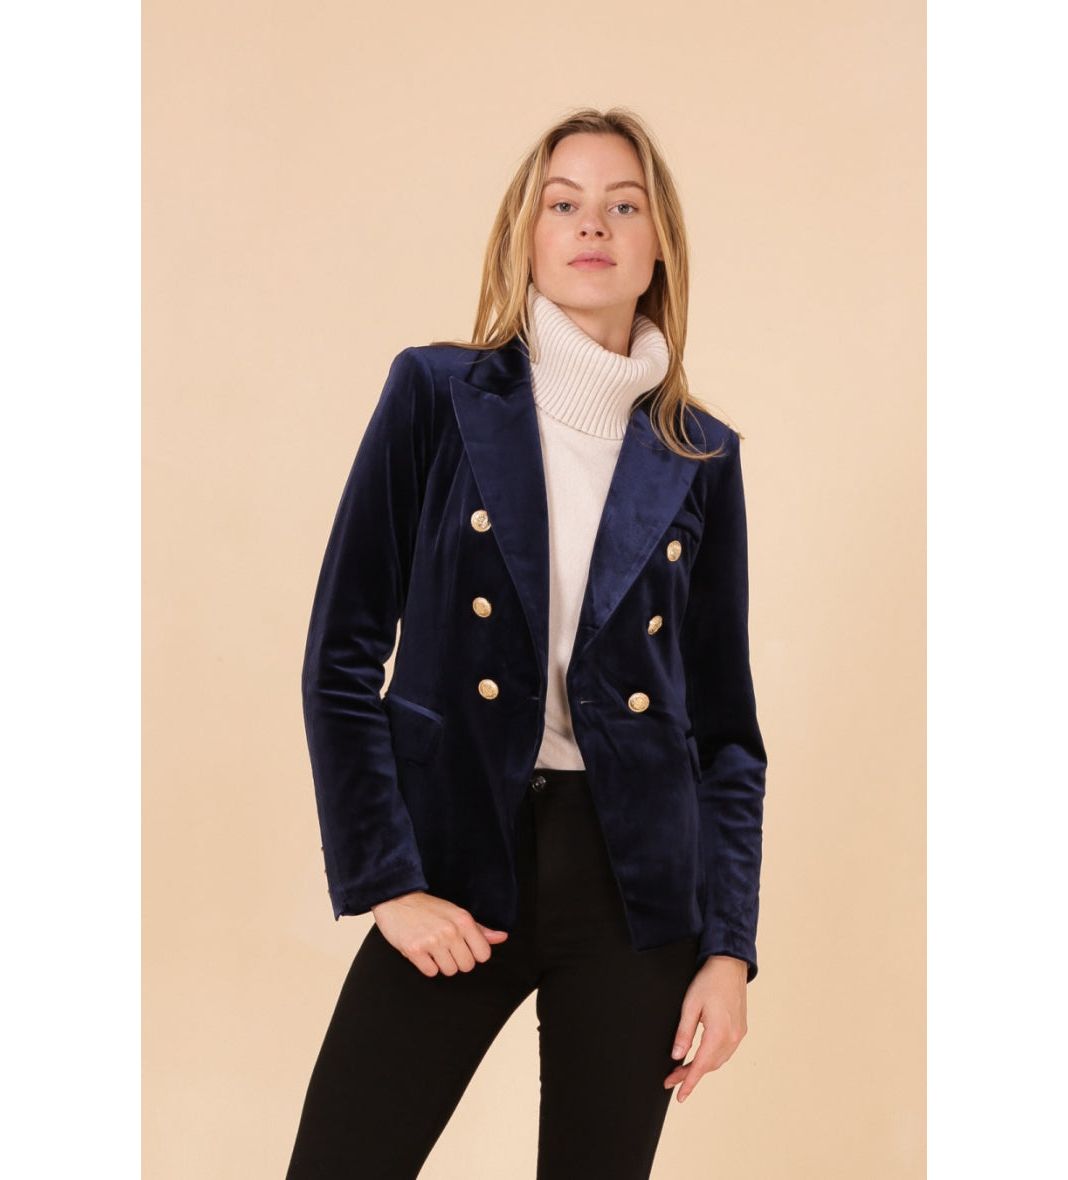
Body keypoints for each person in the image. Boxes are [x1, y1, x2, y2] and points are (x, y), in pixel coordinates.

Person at [286, 107, 767, 1179]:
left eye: (623, 205)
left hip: (635, 883)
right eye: (564, 203)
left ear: (657, 247)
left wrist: (728, 949)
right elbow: (341, 656)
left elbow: (726, 735)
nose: (592, 224)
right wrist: (390, 882)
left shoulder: (700, 455)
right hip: (458, 854)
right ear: (529, 235)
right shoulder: (437, 394)